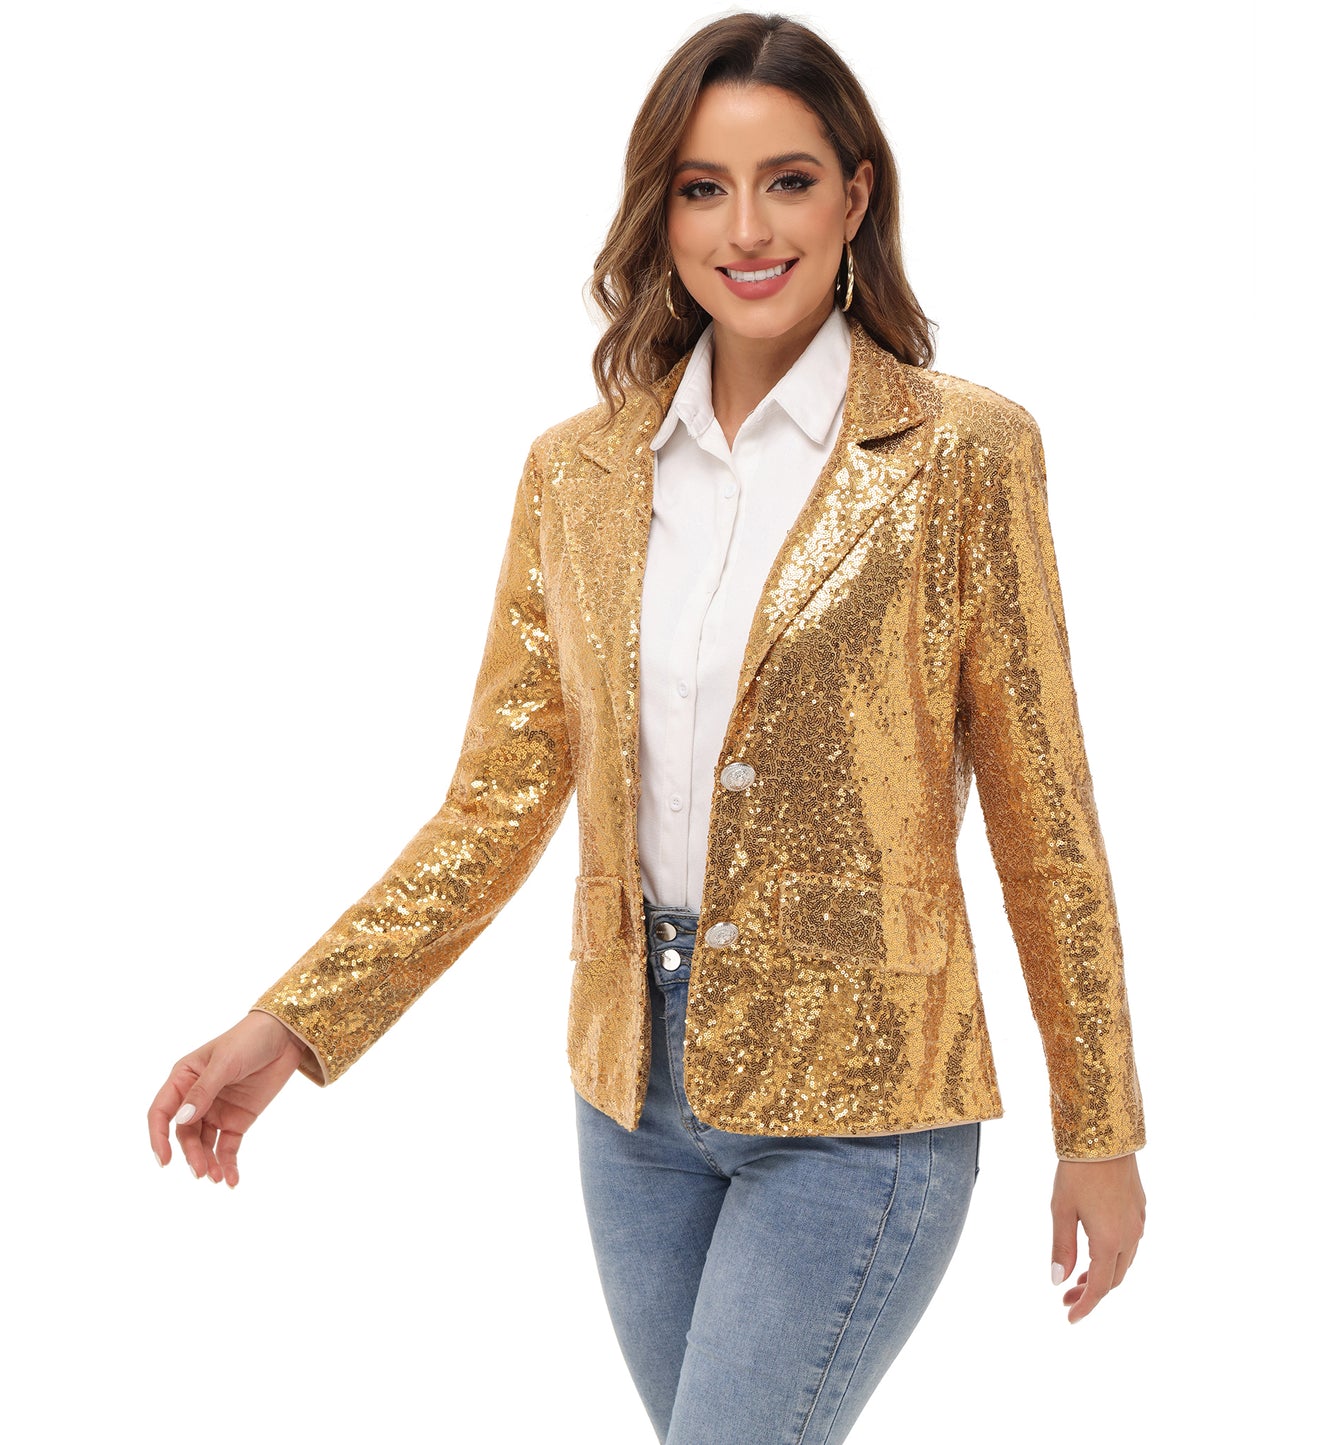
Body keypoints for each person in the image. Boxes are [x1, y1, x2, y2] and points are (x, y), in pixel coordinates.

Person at [148, 12, 1147, 1441]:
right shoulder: (579, 474)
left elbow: (1046, 811)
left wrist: (1098, 1124)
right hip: (630, 1101)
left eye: (788, 181)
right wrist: (296, 1022)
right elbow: (495, 802)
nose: (747, 228)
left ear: (856, 196)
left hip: (864, 1100)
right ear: (659, 215)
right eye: (701, 188)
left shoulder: (962, 457)